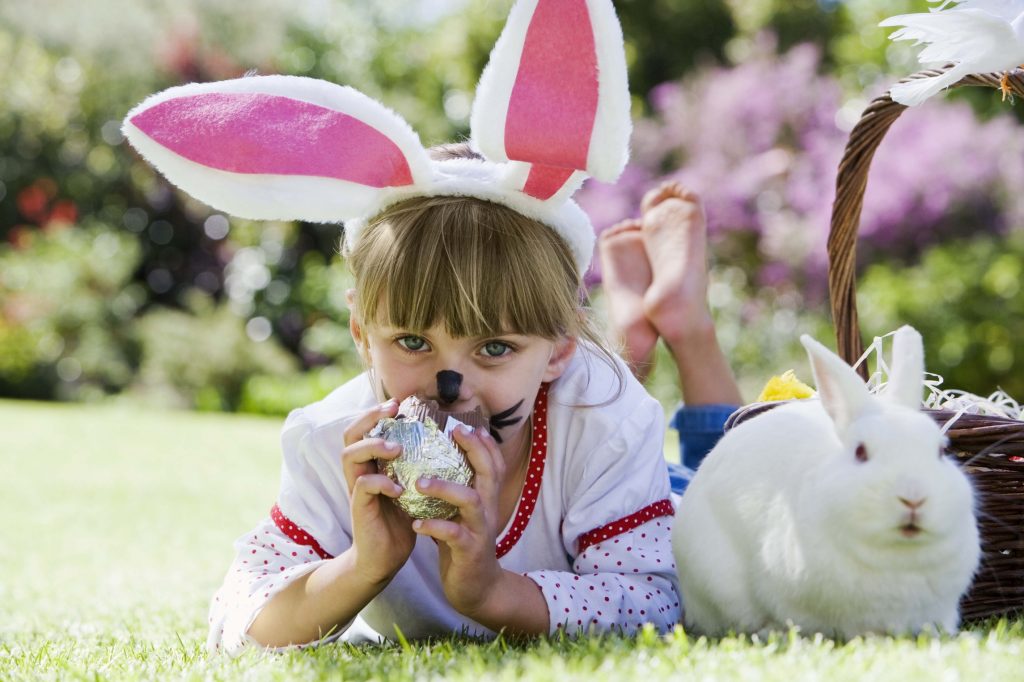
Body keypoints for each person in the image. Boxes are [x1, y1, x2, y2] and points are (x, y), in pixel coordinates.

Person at [121, 0, 684, 654]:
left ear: (558, 350)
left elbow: (657, 601)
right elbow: (240, 619)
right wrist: (362, 563)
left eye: (494, 347)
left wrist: (492, 591)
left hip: (655, 490)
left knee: (714, 488)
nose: (451, 383)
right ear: (362, 330)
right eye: (413, 342)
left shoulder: (605, 424)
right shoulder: (334, 440)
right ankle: (627, 333)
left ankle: (675, 328)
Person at [598, 181, 742, 484]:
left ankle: (624, 357)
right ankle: (692, 331)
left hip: (616, 513)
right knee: (731, 479)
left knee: (591, 465)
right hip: (705, 508)